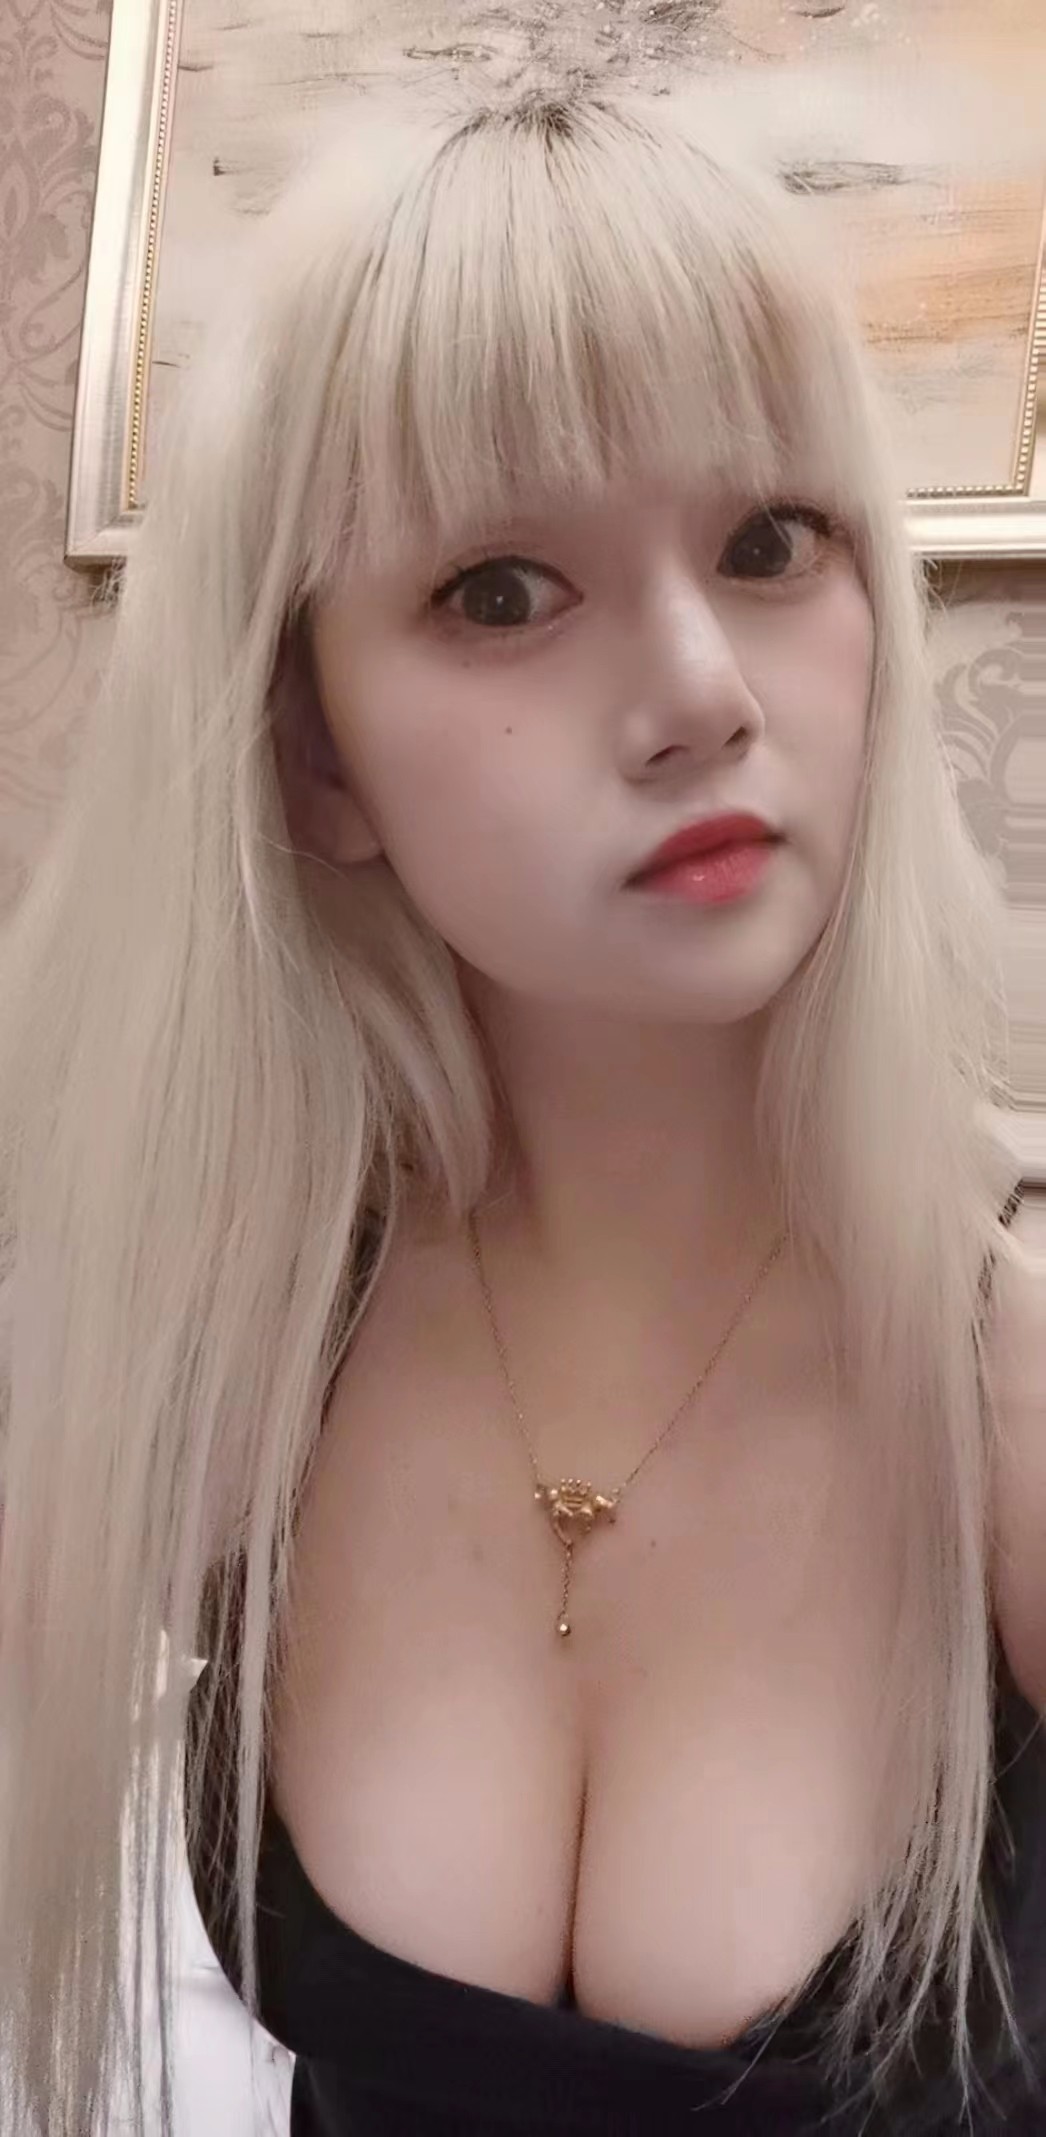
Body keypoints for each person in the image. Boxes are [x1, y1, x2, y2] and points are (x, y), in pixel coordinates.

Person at [0, 74, 1041, 2137]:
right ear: (314, 757)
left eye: (769, 543)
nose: (700, 692)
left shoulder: (1002, 1395)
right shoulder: (229, 1363)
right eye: (499, 589)